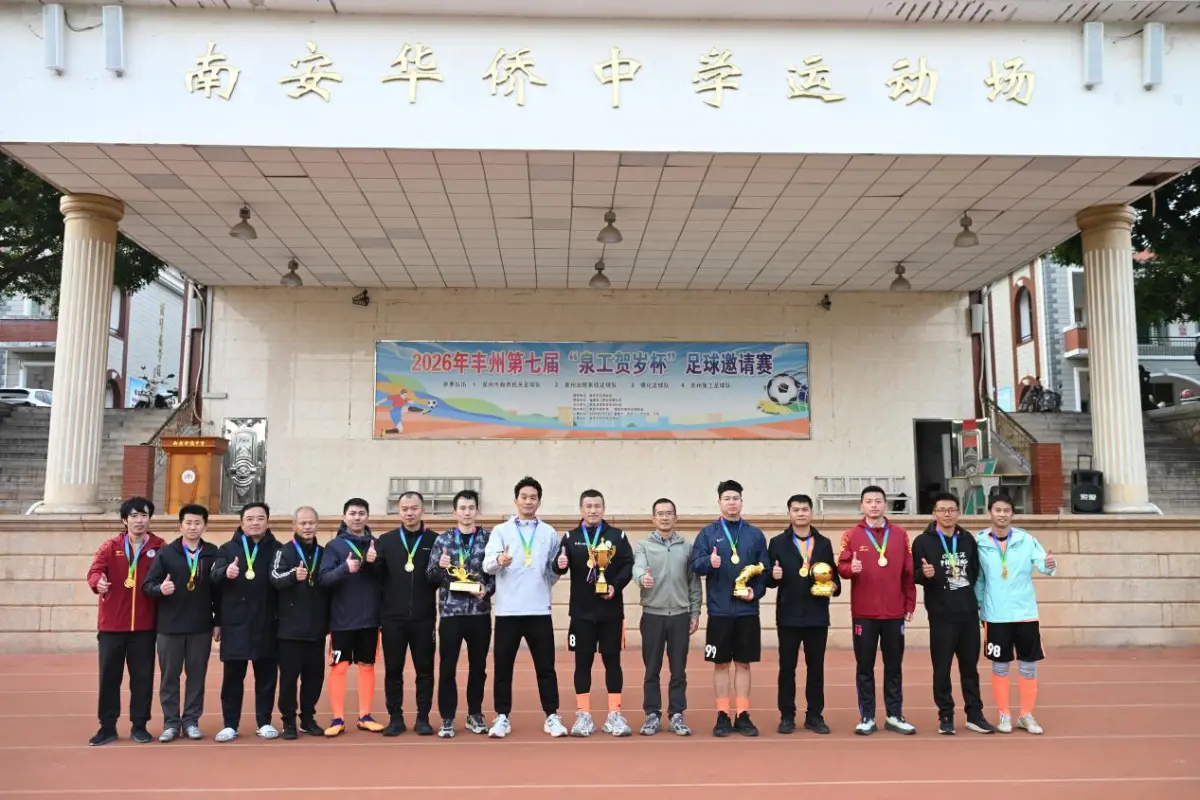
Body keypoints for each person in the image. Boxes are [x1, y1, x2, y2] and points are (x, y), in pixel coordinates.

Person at [482, 476, 568, 738]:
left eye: (533, 498)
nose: (528, 501)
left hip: (539, 610)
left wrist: (559, 569)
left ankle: (551, 716)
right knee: (503, 668)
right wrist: (500, 560)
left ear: (539, 502)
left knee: (546, 667)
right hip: (508, 611)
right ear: (515, 500)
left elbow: (552, 571)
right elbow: (487, 565)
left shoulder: (549, 533)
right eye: (524, 497)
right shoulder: (501, 531)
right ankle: (502, 716)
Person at [690, 479, 770, 737]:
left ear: (742, 502)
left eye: (736, 498)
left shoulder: (755, 535)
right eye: (727, 498)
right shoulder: (707, 533)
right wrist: (708, 562)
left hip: (747, 611)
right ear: (719, 502)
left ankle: (743, 714)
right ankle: (723, 714)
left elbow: (765, 572)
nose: (732, 503)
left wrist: (755, 592)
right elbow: (695, 565)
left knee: (744, 663)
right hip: (719, 612)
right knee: (721, 663)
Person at [85, 497, 166, 746]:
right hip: (112, 626)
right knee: (109, 678)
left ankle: (139, 726)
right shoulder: (110, 546)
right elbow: (94, 571)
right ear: (124, 520)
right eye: (133, 516)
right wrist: (97, 582)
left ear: (149, 518)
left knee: (142, 679)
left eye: (144, 515)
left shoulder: (160, 547)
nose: (139, 520)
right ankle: (107, 727)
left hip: (144, 626)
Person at [553, 489, 635, 737]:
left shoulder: (617, 536)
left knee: (613, 662)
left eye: (597, 506)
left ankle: (614, 715)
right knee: (582, 663)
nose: (593, 510)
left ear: (603, 508)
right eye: (588, 506)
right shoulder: (570, 537)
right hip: (581, 614)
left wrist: (615, 586)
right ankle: (583, 715)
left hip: (611, 612)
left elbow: (628, 565)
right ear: (581, 509)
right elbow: (559, 565)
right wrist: (559, 564)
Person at [976, 492, 1058, 735]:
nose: (1002, 515)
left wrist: (1049, 565)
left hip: (1025, 613)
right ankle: (1004, 714)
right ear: (990, 513)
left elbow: (1043, 563)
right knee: (1000, 666)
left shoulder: (1026, 540)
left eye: (1006, 511)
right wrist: (979, 607)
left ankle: (1026, 715)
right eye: (998, 510)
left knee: (1028, 665)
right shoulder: (979, 541)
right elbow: (978, 579)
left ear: (1012, 514)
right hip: (996, 615)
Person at [912, 492, 994, 736]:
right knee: (942, 669)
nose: (947, 514)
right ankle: (945, 715)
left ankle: (975, 715)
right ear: (934, 513)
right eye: (942, 510)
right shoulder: (922, 541)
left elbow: (975, 572)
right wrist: (923, 575)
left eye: (951, 510)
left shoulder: (967, 539)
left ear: (958, 512)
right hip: (941, 616)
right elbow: (914, 574)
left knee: (970, 669)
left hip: (968, 614)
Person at [838, 485, 917, 736]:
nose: (874, 505)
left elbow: (908, 573)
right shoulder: (851, 535)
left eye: (878, 501)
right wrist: (851, 570)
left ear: (885, 505)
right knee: (865, 667)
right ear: (861, 506)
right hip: (864, 613)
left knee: (894, 667)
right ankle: (867, 716)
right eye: (869, 501)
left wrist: (910, 604)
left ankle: (894, 715)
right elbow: (841, 566)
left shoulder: (900, 534)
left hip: (894, 612)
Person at [142, 503, 221, 742]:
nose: (192, 527)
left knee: (196, 677)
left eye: (197, 523)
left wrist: (218, 621)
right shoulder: (166, 553)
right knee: (169, 677)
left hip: (201, 627)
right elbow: (148, 585)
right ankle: (170, 723)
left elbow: (219, 591)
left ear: (205, 526)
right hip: (170, 627)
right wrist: (160, 588)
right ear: (180, 526)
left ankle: (191, 721)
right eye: (188, 523)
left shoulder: (212, 553)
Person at [766, 493, 840, 735]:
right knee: (787, 668)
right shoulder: (777, 543)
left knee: (816, 668)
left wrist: (833, 586)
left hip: (817, 615)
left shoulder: (824, 543)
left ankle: (815, 716)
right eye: (796, 510)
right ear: (789, 513)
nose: (800, 513)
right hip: (788, 615)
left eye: (804, 509)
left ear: (811, 512)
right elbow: (769, 579)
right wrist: (772, 576)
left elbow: (833, 577)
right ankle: (787, 715)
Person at [211, 502, 282, 742]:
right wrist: (225, 572)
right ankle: (230, 724)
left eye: (260, 518)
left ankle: (264, 722)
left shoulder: (279, 550)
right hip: (235, 624)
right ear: (241, 523)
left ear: (268, 521)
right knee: (233, 677)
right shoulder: (227, 549)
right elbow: (214, 579)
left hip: (267, 623)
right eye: (249, 519)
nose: (255, 523)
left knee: (266, 677)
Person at [426, 489, 494, 738]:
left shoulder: (488, 539)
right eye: (462, 508)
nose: (467, 512)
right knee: (447, 667)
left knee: (478, 667)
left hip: (479, 613)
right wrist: (439, 566)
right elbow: (430, 577)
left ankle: (474, 713)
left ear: (477, 511)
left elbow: (496, 575)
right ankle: (447, 717)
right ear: (455, 512)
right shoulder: (443, 540)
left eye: (471, 508)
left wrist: (486, 590)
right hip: (451, 614)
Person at [631, 497, 701, 736]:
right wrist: (642, 578)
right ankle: (652, 714)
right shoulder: (644, 546)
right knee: (652, 669)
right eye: (660, 513)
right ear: (653, 518)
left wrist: (695, 612)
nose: (664, 517)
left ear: (676, 517)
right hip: (653, 615)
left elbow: (694, 583)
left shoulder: (687, 547)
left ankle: (677, 714)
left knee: (678, 669)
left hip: (680, 616)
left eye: (669, 513)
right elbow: (637, 567)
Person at [318, 497, 384, 737]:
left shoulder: (377, 544)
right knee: (340, 667)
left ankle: (365, 716)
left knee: (367, 666)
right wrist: (344, 569)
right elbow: (323, 579)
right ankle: (337, 718)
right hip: (342, 619)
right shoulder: (334, 546)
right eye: (353, 513)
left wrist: (373, 564)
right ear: (344, 517)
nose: (357, 517)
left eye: (361, 513)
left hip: (370, 620)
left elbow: (385, 578)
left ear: (368, 516)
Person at [376, 491, 439, 736]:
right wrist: (370, 563)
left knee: (425, 671)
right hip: (392, 619)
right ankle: (395, 718)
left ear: (422, 510)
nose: (409, 513)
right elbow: (376, 578)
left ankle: (423, 718)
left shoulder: (435, 540)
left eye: (414, 508)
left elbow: (439, 578)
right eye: (404, 509)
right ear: (398, 511)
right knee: (393, 671)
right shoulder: (386, 541)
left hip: (424, 618)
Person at [269, 506, 329, 739]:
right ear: (294, 526)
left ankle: (307, 718)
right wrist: (293, 576)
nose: (307, 527)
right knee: (289, 679)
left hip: (316, 628)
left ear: (317, 525)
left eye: (311, 523)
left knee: (314, 677)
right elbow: (274, 577)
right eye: (303, 523)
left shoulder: (324, 552)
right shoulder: (283, 552)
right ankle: (288, 721)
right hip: (289, 629)